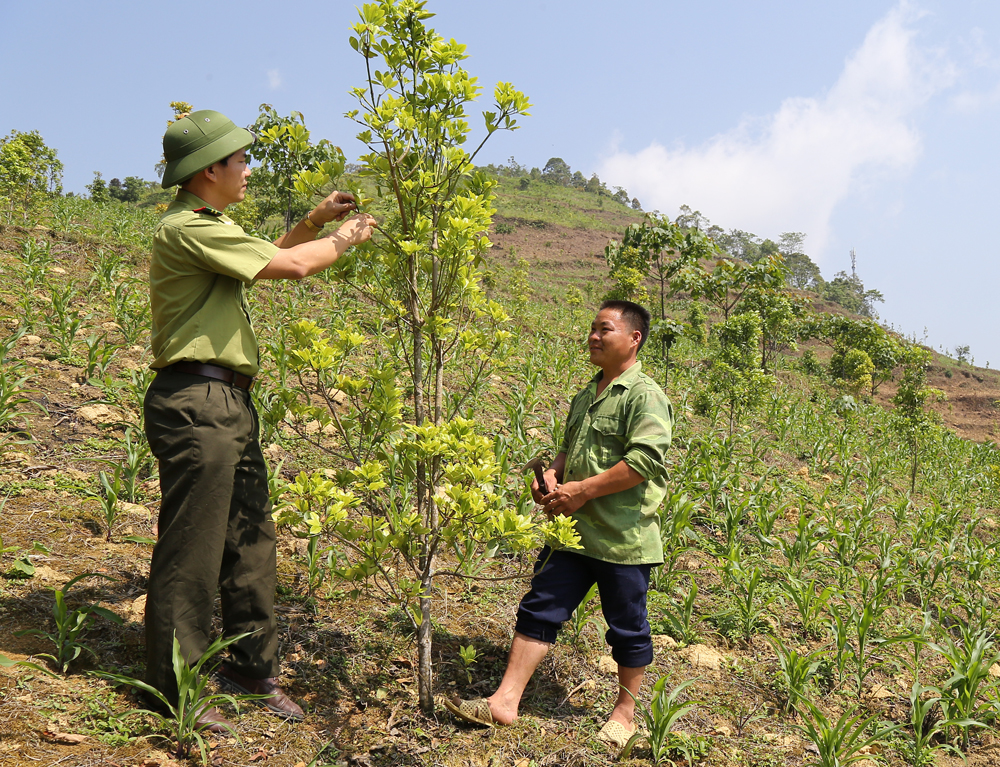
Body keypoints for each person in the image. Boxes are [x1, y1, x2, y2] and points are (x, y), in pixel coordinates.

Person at [144, 109, 377, 733]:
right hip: (198, 400)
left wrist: (312, 223)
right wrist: (347, 236)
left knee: (249, 538)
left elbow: (268, 256)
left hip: (225, 403)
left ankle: (250, 669)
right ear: (208, 170)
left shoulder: (212, 228)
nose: (247, 169)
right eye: (240, 160)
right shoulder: (188, 228)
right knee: (193, 548)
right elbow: (294, 268)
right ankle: (176, 687)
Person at [444, 299, 673, 748]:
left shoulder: (645, 396)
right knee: (540, 607)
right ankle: (504, 701)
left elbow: (644, 462)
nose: (593, 336)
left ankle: (625, 715)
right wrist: (554, 476)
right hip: (571, 533)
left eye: (604, 329)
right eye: (592, 327)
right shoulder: (587, 395)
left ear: (633, 338)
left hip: (622, 538)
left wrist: (583, 490)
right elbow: (569, 450)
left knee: (627, 627)